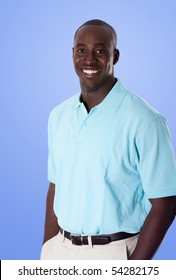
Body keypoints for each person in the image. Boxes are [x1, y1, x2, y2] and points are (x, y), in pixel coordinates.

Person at [41, 19, 176, 260]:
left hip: (113, 252)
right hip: (59, 251)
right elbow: (56, 185)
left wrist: (133, 270)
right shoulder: (58, 116)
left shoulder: (145, 121)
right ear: (73, 54)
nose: (89, 59)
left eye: (100, 51)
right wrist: (47, 249)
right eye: (82, 50)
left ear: (115, 56)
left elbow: (166, 202)